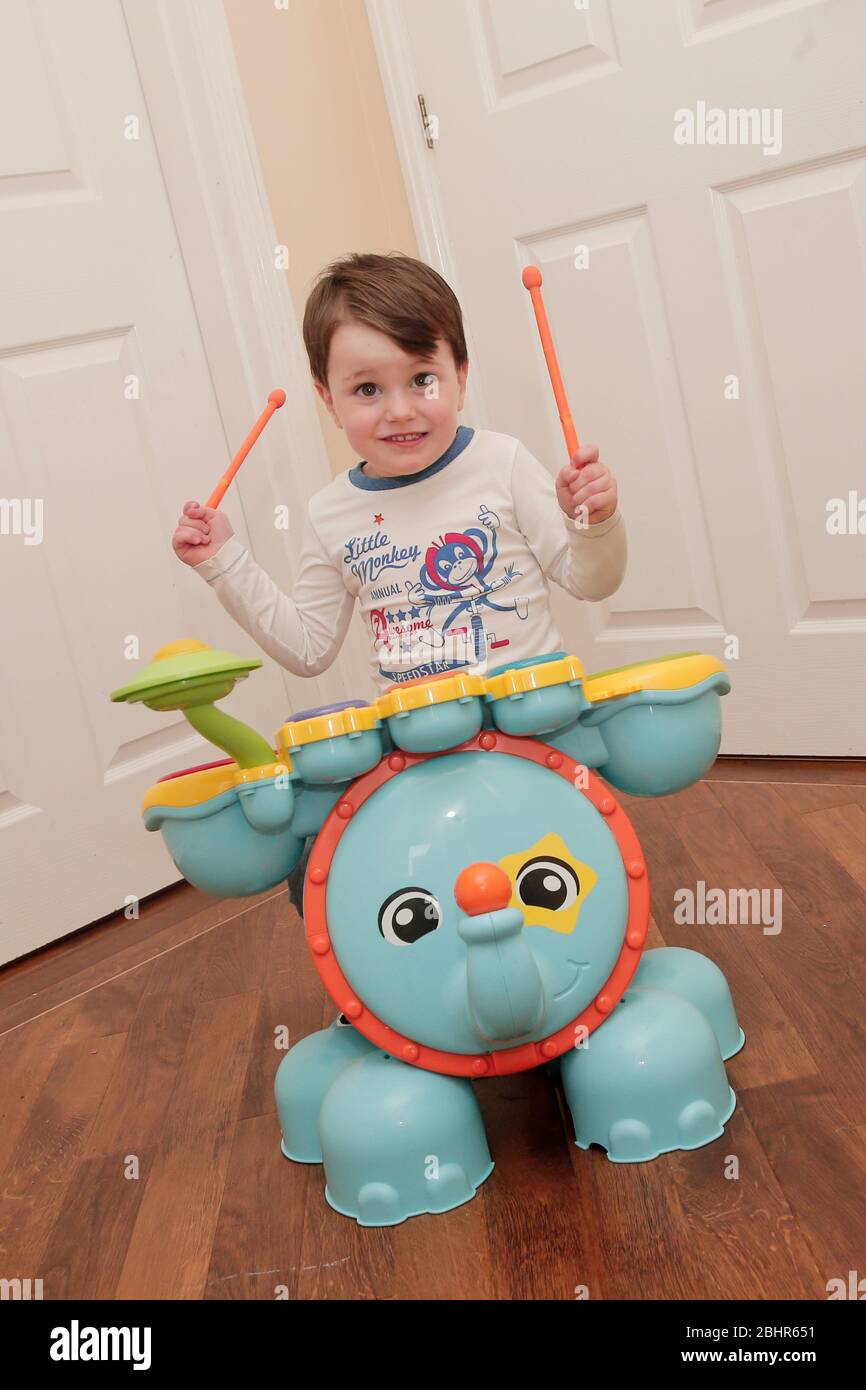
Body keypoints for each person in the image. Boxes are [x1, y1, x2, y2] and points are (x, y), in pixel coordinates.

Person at [172, 252, 627, 915]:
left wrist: (595, 518)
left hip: (539, 741)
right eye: (366, 390)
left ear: (460, 377)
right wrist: (225, 561)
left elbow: (592, 580)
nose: (399, 410)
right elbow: (308, 649)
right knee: (389, 891)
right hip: (420, 758)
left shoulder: (502, 464)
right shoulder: (331, 514)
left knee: (563, 886)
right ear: (327, 400)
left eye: (422, 379)